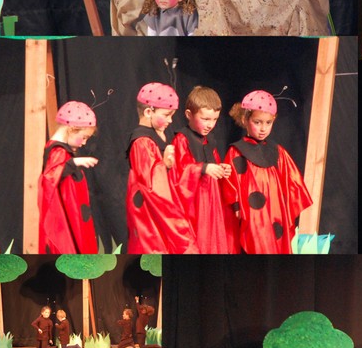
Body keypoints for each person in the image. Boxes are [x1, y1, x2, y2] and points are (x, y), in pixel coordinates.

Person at [224, 90, 312, 254]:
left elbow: (293, 183)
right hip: (252, 216)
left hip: (275, 213)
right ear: (244, 119)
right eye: (257, 122)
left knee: (275, 244)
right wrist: (236, 205)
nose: (263, 128)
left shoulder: (278, 152)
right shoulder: (237, 152)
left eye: (268, 122)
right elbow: (230, 183)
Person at [126, 82, 198, 254]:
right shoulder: (142, 142)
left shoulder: (155, 137)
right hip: (151, 216)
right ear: (148, 112)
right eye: (166, 115)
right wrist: (177, 224)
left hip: (159, 212)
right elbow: (151, 185)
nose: (170, 120)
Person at [172, 86, 236, 253]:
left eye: (214, 119)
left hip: (210, 200)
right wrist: (203, 168)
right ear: (189, 115)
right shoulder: (182, 139)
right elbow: (179, 172)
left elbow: (213, 163)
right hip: (194, 205)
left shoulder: (209, 140)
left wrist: (221, 169)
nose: (210, 124)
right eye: (205, 119)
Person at [38, 101, 98, 254]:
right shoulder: (57, 151)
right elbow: (51, 176)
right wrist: (74, 162)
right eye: (83, 137)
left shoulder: (61, 151)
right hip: (66, 217)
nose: (84, 143)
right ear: (71, 129)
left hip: (74, 213)